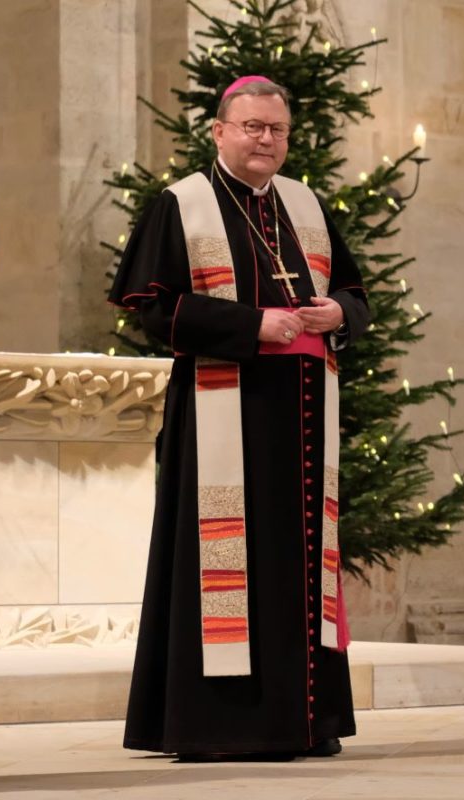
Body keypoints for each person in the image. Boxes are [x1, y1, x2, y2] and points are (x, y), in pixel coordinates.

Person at [111, 76, 369, 760]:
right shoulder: (183, 204)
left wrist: (338, 313)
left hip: (304, 423)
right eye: (252, 127)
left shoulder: (305, 205)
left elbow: (354, 290)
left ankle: (305, 720)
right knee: (227, 566)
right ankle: (218, 724)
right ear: (220, 131)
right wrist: (253, 326)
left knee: (298, 564)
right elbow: (148, 308)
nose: (265, 140)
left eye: (276, 130)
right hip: (220, 419)